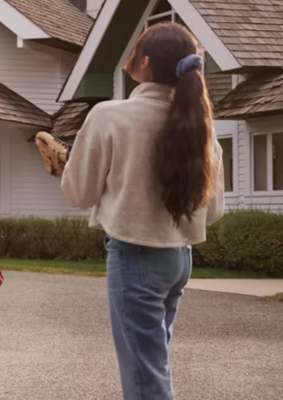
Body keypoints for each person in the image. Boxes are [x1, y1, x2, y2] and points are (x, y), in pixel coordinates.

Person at [60, 22, 224, 400]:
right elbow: (212, 211)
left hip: (135, 255)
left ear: (145, 63)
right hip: (179, 259)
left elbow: (79, 193)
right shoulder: (201, 127)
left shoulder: (110, 115)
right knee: (154, 362)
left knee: (143, 375)